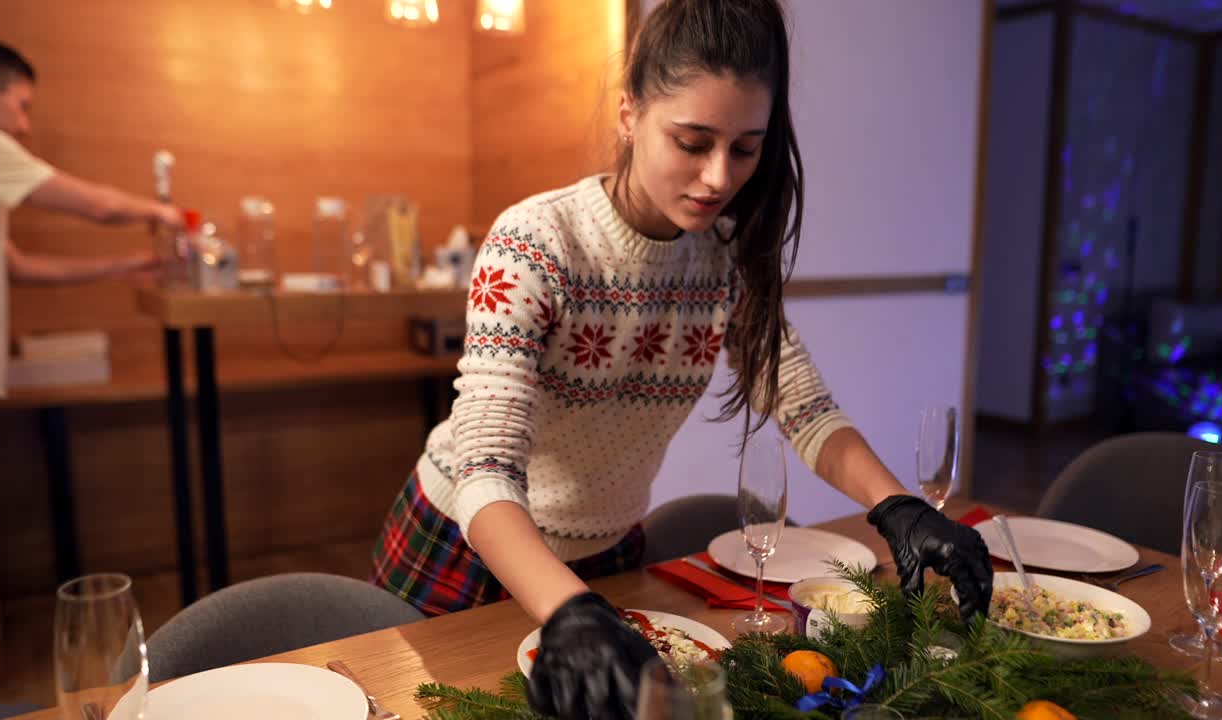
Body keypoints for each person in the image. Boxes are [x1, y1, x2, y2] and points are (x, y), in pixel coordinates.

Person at [369, 1, 993, 717]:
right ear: (630, 112)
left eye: (746, 148)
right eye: (693, 142)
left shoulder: (725, 255)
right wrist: (568, 611)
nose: (719, 177)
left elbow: (801, 401)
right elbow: (485, 465)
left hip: (606, 559)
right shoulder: (538, 243)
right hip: (471, 546)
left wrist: (899, 506)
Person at [0, 36, 181, 720]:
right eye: (20, 107)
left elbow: (18, 264)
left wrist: (123, 270)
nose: (24, 124)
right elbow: (94, 205)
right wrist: (161, 213)